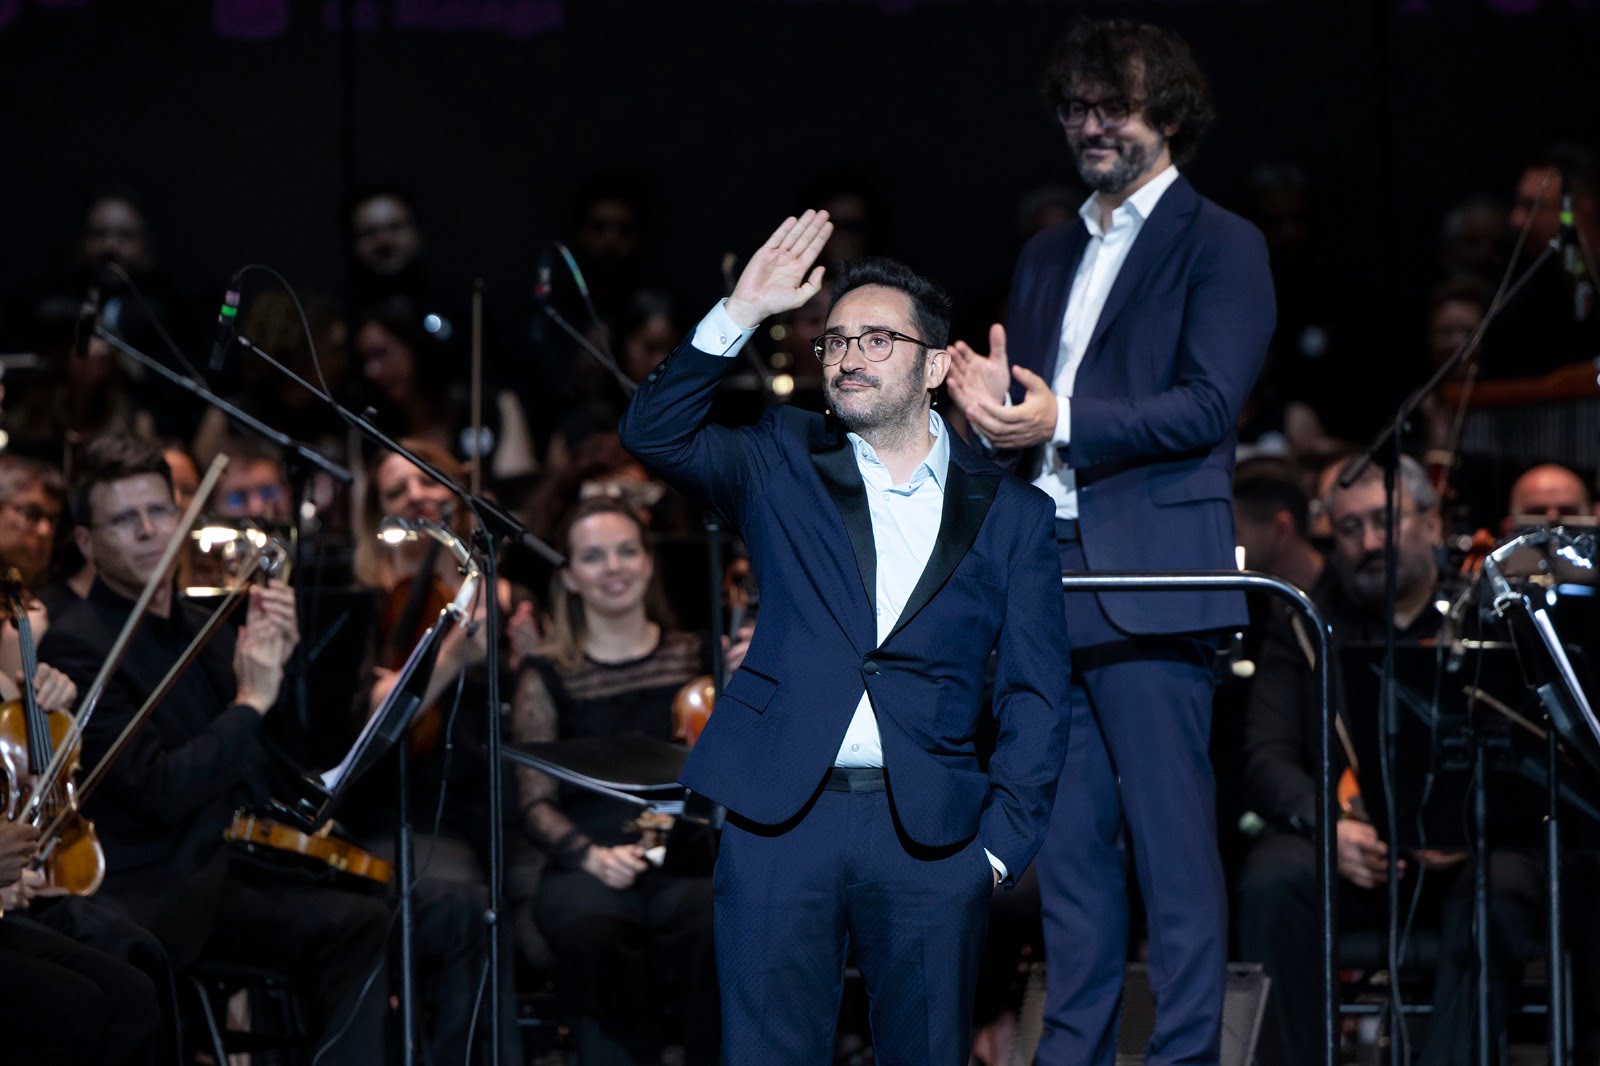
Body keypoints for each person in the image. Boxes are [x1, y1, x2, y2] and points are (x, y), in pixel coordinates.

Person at [621, 211, 1071, 1064]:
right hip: (779, 817)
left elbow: (1036, 694)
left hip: (932, 835)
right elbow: (653, 433)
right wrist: (740, 312)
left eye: (875, 339)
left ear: (936, 364)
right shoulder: (781, 456)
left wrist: (1000, 852)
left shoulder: (1014, 513)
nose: (849, 356)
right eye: (832, 342)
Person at [944, 18, 1274, 1064]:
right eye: (1075, 108)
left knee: (1175, 852)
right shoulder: (1046, 249)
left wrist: (1057, 422)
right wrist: (985, 415)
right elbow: (1028, 407)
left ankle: (1184, 1054)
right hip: (1049, 574)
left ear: (1167, 114)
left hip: (1152, 574)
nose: (1089, 126)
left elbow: (1206, 406)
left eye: (1111, 107)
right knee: (1071, 855)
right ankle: (1070, 1052)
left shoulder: (1221, 241)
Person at [38, 433, 390, 1064]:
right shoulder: (78, 647)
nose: (149, 530)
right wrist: (251, 701)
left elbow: (266, 757)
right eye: (124, 519)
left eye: (159, 510)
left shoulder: (205, 625)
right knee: (363, 926)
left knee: (425, 904)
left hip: (243, 859)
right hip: (169, 885)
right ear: (88, 543)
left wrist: (280, 672)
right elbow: (161, 791)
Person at [1236, 454, 1543, 1066]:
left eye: (1386, 521)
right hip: (1354, 848)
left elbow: (1534, 753)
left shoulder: (1493, 613)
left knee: (1505, 888)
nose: (1371, 542)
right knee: (1272, 878)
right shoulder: (1303, 618)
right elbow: (1266, 755)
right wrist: (1332, 828)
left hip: (1466, 852)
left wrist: (1469, 823)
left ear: (1431, 523)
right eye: (1350, 528)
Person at [510, 495, 724, 1064]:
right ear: (571, 578)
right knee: (587, 928)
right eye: (594, 557)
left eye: (627, 551)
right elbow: (534, 802)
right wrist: (590, 855)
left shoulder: (699, 655)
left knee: (715, 919)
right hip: (589, 854)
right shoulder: (546, 674)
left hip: (683, 848)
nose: (614, 568)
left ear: (649, 562)